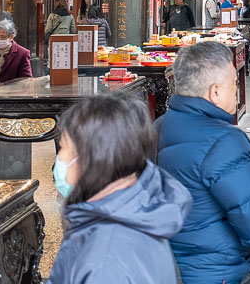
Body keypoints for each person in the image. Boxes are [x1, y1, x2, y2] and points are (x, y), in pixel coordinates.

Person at [158, 42, 250, 284]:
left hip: (168, 269)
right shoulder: (224, 141)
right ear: (215, 92)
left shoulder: (159, 126)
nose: (238, 88)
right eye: (233, 82)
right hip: (219, 272)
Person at [48, 92, 191, 284]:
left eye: (64, 148)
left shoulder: (104, 259)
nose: (60, 160)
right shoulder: (139, 210)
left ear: (95, 158)